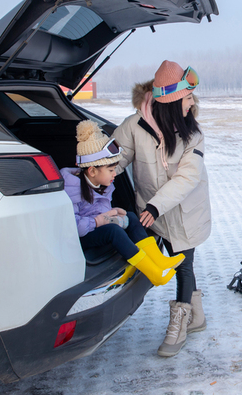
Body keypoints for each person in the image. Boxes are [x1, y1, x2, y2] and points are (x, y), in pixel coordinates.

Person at [114, 60, 211, 357]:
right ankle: (199, 317)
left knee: (183, 265)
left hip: (183, 215)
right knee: (176, 263)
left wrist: (155, 206)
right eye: (187, 98)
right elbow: (116, 157)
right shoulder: (134, 126)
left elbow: (187, 177)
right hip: (153, 216)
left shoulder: (192, 133)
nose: (192, 103)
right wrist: (95, 176)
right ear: (169, 102)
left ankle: (180, 324)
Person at [61, 120, 184, 286]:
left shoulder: (102, 183)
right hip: (82, 236)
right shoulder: (72, 189)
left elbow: (101, 209)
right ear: (92, 170)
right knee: (113, 231)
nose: (114, 174)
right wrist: (100, 221)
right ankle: (153, 274)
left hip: (97, 226)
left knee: (132, 217)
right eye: (111, 170)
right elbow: (73, 227)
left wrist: (113, 213)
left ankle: (158, 260)